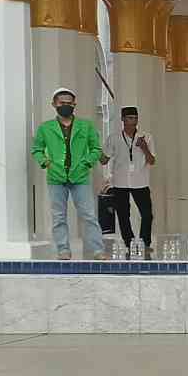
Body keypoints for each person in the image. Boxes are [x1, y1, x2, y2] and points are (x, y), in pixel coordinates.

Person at [32, 87, 107, 261]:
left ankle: (97, 250)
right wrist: (47, 162)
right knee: (59, 216)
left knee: (88, 214)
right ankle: (63, 249)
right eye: (61, 103)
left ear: (74, 104)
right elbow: (36, 150)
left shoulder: (85, 126)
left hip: (80, 176)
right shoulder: (46, 128)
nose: (65, 106)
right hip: (56, 177)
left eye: (69, 103)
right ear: (54, 104)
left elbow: (96, 149)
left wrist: (86, 162)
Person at [102, 104, 156, 257]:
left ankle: (145, 243)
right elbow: (104, 160)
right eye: (130, 118)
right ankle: (129, 242)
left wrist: (144, 147)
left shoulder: (147, 137)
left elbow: (152, 161)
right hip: (120, 182)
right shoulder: (114, 138)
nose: (133, 121)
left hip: (141, 181)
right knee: (123, 214)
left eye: (135, 118)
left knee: (147, 214)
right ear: (123, 120)